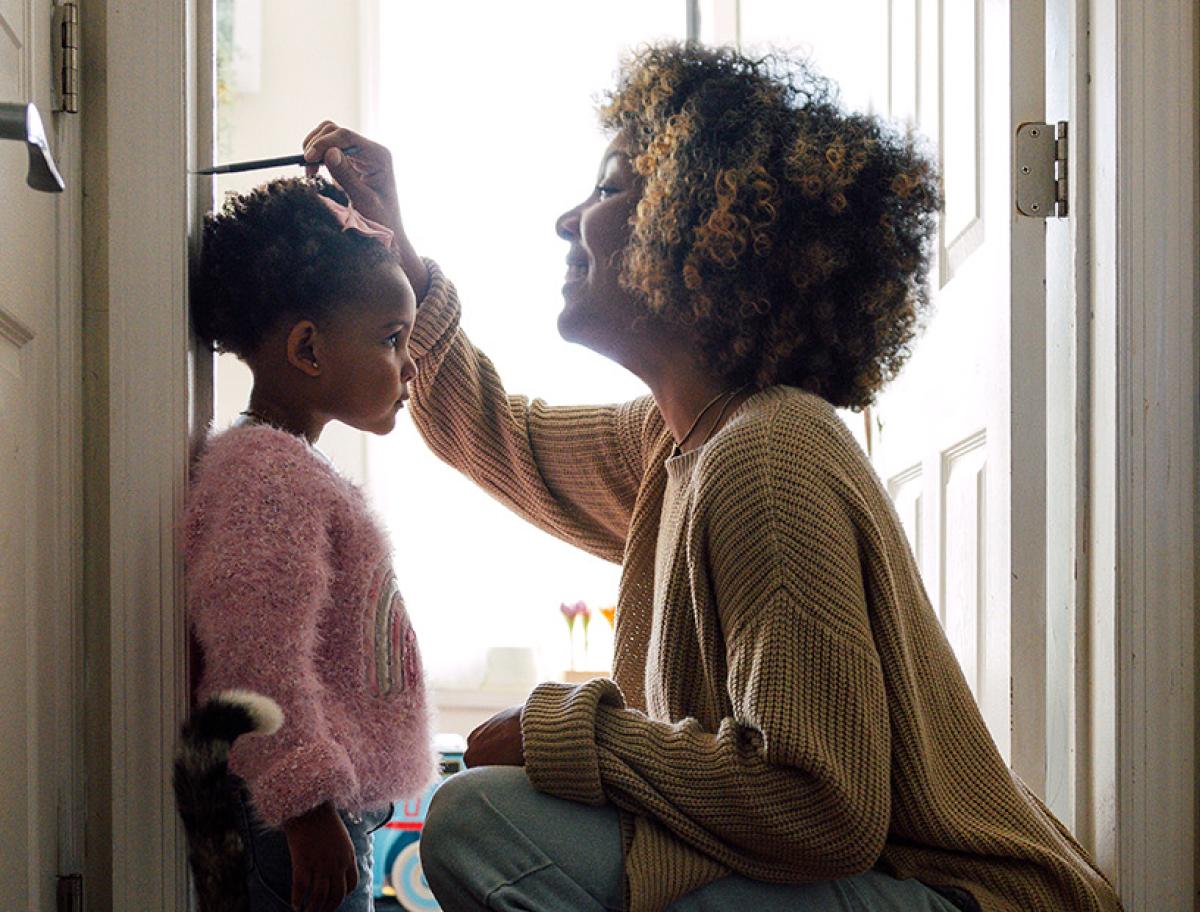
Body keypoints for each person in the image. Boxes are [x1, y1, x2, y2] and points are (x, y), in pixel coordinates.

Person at [303, 43, 1122, 912]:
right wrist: (402, 254)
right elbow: (505, 436)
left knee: (478, 820)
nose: (565, 220)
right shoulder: (680, 444)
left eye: (610, 189)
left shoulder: (767, 457)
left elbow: (821, 807)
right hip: (889, 887)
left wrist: (561, 735)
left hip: (965, 900)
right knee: (492, 820)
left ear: (704, 230)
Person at [183, 177, 433, 912]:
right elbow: (256, 653)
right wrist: (304, 803)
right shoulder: (266, 479)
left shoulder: (288, 470)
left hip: (329, 801)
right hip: (297, 812)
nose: (409, 365)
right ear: (308, 347)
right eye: (392, 339)